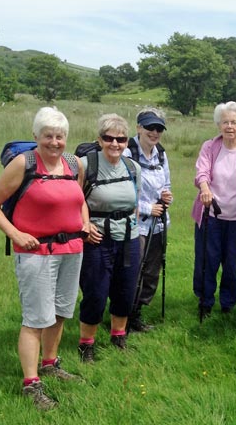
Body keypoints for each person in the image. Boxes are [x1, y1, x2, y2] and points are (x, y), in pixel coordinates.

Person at [0, 107, 89, 410]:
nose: (55, 142)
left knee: (59, 312)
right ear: (36, 136)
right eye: (48, 136)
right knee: (35, 318)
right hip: (35, 253)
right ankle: (31, 384)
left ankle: (50, 363)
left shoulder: (73, 164)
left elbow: (79, 199)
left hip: (71, 250)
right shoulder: (24, 163)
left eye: (60, 136)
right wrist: (15, 235)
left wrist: (85, 221)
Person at [77, 114, 141, 362]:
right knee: (96, 292)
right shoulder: (85, 164)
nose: (115, 144)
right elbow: (73, 200)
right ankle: (86, 344)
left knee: (125, 290)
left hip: (128, 237)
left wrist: (132, 226)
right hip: (96, 238)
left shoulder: (132, 167)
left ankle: (118, 337)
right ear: (100, 139)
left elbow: (135, 201)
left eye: (121, 139)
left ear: (127, 141)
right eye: (109, 138)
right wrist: (84, 225)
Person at [192, 101, 236, 316]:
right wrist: (204, 188)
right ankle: (205, 301)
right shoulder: (209, 147)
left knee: (232, 263)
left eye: (234, 122)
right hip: (211, 214)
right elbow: (202, 172)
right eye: (225, 122)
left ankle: (228, 303)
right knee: (207, 261)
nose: (229, 126)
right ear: (218, 125)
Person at [123, 107, 173, 332]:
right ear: (139, 128)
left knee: (152, 270)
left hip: (158, 222)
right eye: (150, 127)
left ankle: (137, 313)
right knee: (133, 270)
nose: (154, 132)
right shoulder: (126, 153)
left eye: (159, 129)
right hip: (135, 224)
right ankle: (123, 315)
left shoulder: (161, 154)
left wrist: (166, 196)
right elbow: (120, 192)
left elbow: (167, 184)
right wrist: (146, 208)